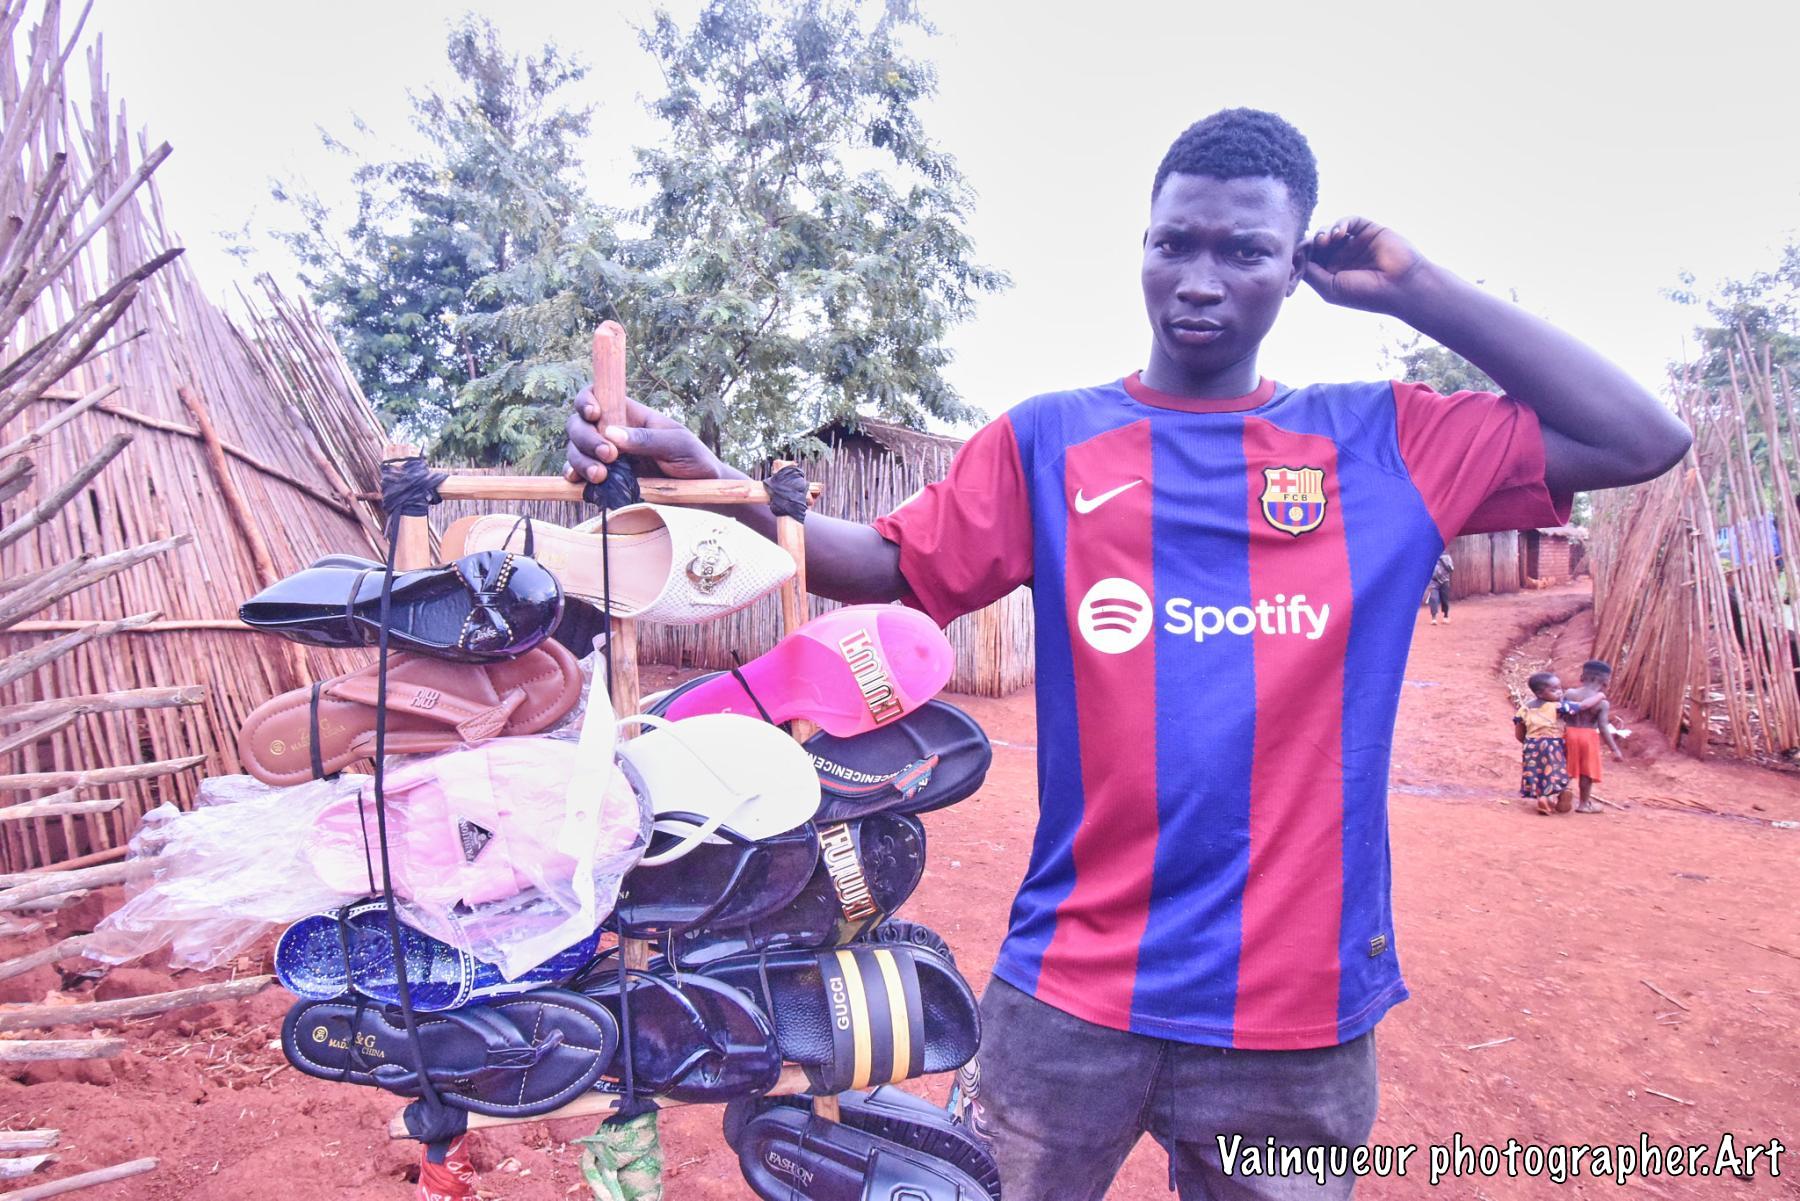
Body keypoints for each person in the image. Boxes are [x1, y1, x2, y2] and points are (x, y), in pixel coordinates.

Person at [563, 109, 1691, 1199]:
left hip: (1295, 1016)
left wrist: (1416, 288)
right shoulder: (1054, 441)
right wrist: (716, 480)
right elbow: (882, 565)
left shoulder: (1384, 444)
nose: (1200, 278)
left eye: (1245, 251)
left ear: (1294, 266)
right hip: (1069, 990)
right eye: (1174, 244)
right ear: (1142, 246)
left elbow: (1642, 438)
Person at [1562, 659, 1626, 813]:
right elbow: (1603, 727)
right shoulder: (1602, 703)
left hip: (1569, 733)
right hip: (1588, 736)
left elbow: (1561, 713)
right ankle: (1584, 804)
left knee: (1566, 767)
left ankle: (1560, 795)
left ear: (1582, 677)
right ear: (1605, 682)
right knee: (1586, 772)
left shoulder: (1570, 693)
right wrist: (1615, 750)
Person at [1514, 671, 1575, 815]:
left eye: (1560, 688)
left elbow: (1519, 731)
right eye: (1554, 690)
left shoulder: (1524, 708)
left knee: (1537, 772)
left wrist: (1527, 743)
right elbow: (1579, 708)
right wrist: (1598, 697)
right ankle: (1563, 791)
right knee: (1556, 769)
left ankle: (1542, 798)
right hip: (1552, 744)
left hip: (1531, 744)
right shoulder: (1557, 707)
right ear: (1540, 693)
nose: (1559, 692)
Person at [1427, 550, 1454, 624]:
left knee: (1445, 599)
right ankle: (1434, 618)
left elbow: (1451, 569)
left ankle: (1446, 616)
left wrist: (1443, 560)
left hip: (1444, 581)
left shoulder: (1447, 557)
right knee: (1433, 598)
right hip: (1433, 581)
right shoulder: (1431, 556)